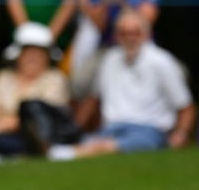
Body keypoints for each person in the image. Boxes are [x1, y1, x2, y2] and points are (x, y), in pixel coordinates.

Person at [48, 10, 195, 160]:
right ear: (116, 36)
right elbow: (93, 99)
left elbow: (185, 106)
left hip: (150, 130)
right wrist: (75, 129)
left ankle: (71, 153)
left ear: (146, 35)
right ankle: (79, 149)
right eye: (124, 33)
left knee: (125, 144)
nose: (130, 38)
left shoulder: (162, 62)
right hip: (112, 129)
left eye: (135, 33)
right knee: (95, 140)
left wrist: (181, 134)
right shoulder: (109, 60)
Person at [0, 22, 70, 157]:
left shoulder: (55, 79)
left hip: (34, 142)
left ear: (47, 57)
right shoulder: (3, 77)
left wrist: (3, 124)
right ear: (18, 55)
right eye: (28, 52)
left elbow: (40, 117)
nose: (33, 57)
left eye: (39, 53)